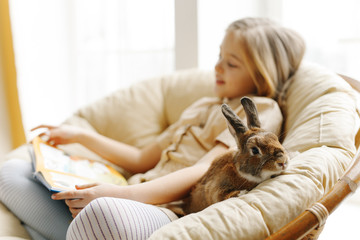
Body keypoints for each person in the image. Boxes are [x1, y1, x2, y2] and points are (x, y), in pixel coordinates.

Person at [0, 17, 305, 240]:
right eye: (219, 57)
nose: (217, 67)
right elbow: (141, 158)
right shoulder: (201, 105)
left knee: (101, 215)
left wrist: (125, 196)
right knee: (9, 174)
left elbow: (203, 170)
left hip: (168, 211)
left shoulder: (260, 111)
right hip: (131, 190)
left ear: (264, 73)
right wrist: (81, 136)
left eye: (232, 63)